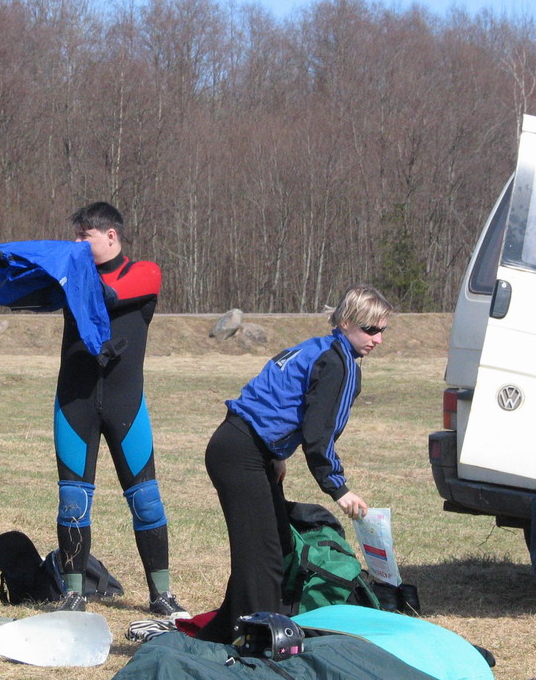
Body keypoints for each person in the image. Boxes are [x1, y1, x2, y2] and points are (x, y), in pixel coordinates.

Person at [196, 283, 392, 644]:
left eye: (382, 330)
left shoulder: (318, 348)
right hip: (241, 454)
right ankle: (255, 644)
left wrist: (276, 455)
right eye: (370, 329)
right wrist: (339, 489)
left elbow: (279, 401)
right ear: (346, 322)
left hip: (241, 447)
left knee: (273, 550)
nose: (377, 339)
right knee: (263, 559)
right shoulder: (338, 363)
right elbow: (319, 435)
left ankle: (223, 635)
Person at [53, 201, 186, 618]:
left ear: (111, 235)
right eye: (75, 236)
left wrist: (71, 279)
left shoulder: (145, 273)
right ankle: (73, 594)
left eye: (84, 236)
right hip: (74, 404)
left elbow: (108, 295)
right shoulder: (71, 276)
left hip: (125, 405)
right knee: (72, 501)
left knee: (147, 501)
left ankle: (161, 594)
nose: (76, 243)